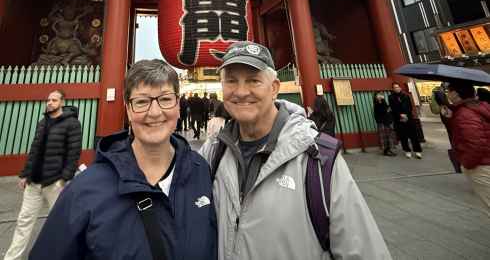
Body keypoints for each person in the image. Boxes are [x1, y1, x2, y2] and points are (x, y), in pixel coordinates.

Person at [200, 41, 391, 260]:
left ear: (274, 88)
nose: (241, 92)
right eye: (231, 81)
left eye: (254, 80)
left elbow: (363, 251)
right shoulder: (213, 152)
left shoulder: (317, 158)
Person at [29, 60, 217, 260]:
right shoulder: (85, 189)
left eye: (165, 99)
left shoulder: (200, 171)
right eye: (142, 102)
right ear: (128, 109)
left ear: (178, 106)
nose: (154, 112)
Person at [4, 90, 82, 260]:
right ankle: (12, 258)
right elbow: (34, 150)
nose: (50, 103)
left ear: (62, 102)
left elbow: (74, 152)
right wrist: (25, 174)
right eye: (48, 100)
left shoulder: (72, 124)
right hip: (34, 181)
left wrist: (64, 178)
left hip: (55, 182)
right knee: (24, 221)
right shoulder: (43, 122)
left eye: (54, 100)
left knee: (59, 223)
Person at [447, 80, 490, 211]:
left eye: (449, 91)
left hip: (482, 166)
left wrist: (467, 163)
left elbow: (475, 144)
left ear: (455, 93)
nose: (448, 94)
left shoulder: (464, 114)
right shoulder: (482, 106)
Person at [389, 82, 423, 159]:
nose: (396, 88)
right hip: (398, 119)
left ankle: (417, 151)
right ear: (393, 89)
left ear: (400, 88)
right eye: (395, 87)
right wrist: (400, 115)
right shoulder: (391, 97)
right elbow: (393, 108)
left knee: (413, 135)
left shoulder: (406, 96)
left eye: (397, 87)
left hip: (409, 118)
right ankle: (407, 150)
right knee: (403, 136)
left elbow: (410, 107)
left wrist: (406, 114)